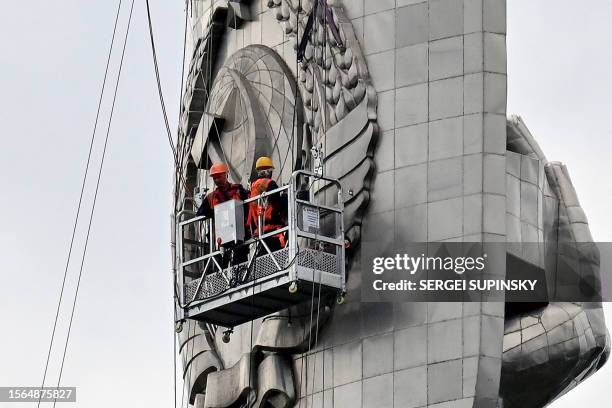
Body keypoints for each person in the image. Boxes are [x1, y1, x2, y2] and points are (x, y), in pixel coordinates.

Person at [196, 162, 249, 266]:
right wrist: (214, 213)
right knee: (221, 264)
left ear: (226, 175)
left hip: (238, 234)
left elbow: (248, 206)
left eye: (218, 177)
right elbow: (200, 214)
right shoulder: (211, 197)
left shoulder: (238, 190)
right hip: (221, 237)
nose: (216, 180)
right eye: (214, 178)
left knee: (240, 261)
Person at [246, 156, 288, 252]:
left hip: (260, 230)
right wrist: (286, 196)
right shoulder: (269, 184)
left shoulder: (253, 187)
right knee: (277, 257)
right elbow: (278, 205)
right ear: (268, 171)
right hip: (272, 230)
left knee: (264, 259)